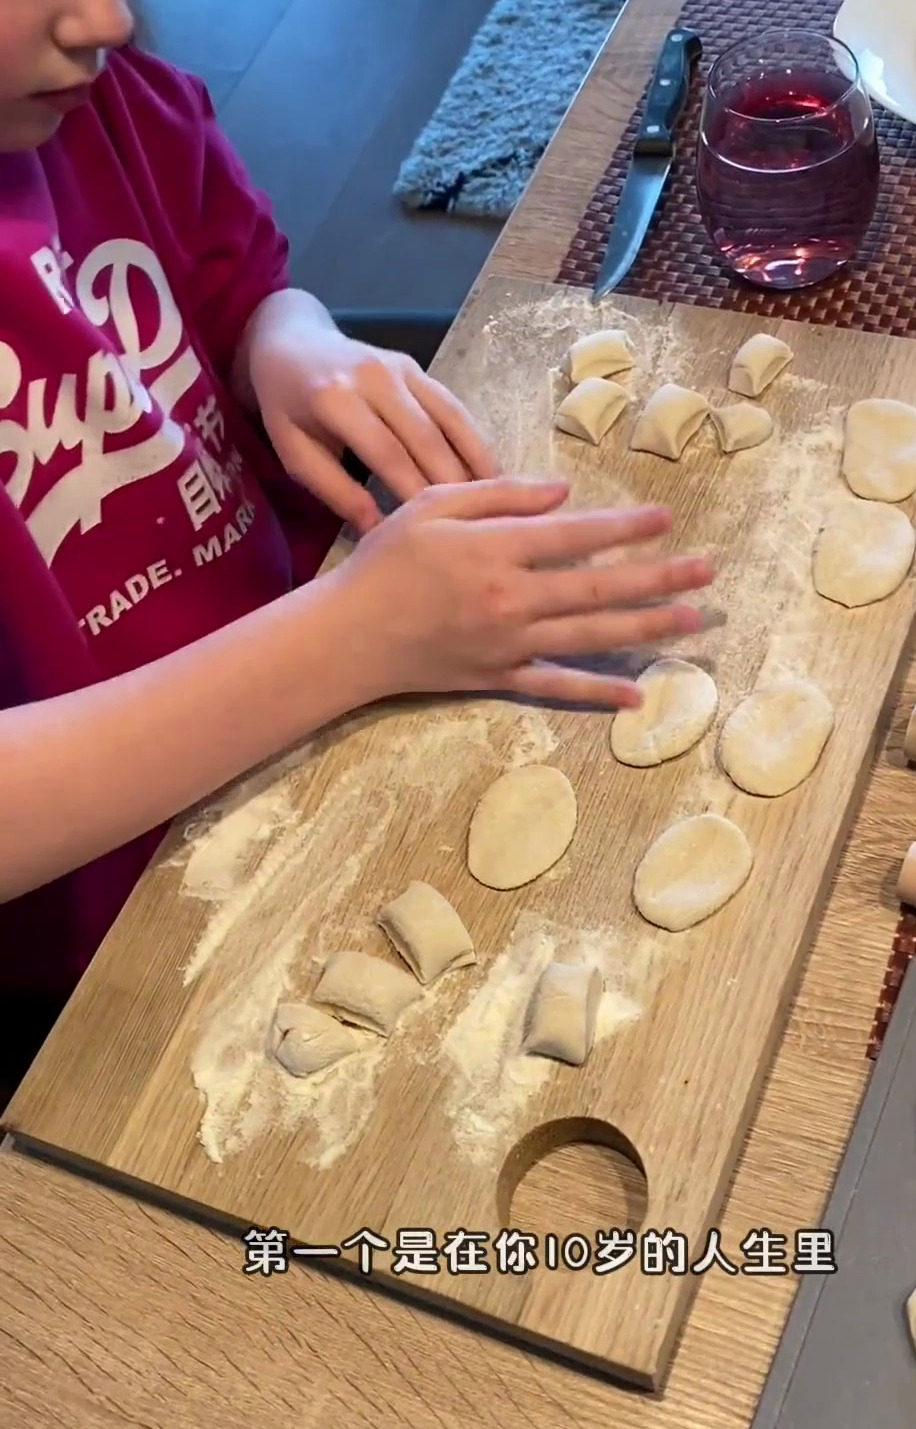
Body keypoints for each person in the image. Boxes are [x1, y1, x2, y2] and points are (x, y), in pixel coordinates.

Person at [0, 1, 714, 1092]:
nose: (109, 17)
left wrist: (288, 341)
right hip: (106, 940)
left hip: (325, 686)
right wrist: (348, 640)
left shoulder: (89, 105)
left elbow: (231, 284)